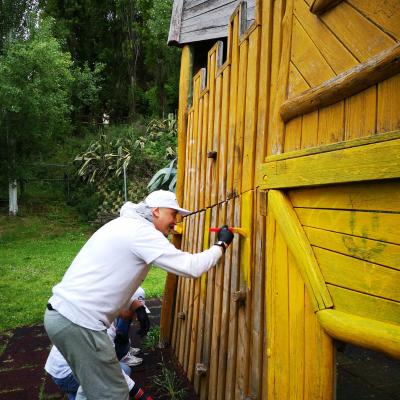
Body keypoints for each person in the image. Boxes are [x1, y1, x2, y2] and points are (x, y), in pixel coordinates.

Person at [44, 190, 234, 400]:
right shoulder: (141, 232)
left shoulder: (126, 225)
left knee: (91, 388)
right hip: (80, 323)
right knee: (114, 394)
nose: (175, 221)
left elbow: (112, 277)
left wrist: (136, 304)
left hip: (62, 317)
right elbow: (191, 267)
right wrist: (221, 245)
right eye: (173, 214)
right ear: (156, 211)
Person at [45, 288, 149, 399]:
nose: (135, 317)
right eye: (133, 312)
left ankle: (73, 393)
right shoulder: (103, 328)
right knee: (122, 374)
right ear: (121, 306)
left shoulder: (101, 310)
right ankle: (76, 390)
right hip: (66, 374)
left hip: (60, 366)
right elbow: (111, 370)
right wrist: (143, 396)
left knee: (121, 367)